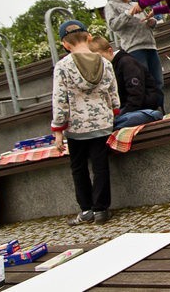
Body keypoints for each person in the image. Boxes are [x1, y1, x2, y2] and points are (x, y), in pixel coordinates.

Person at [51, 20, 120, 226]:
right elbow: (114, 95)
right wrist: (113, 112)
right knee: (100, 166)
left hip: (76, 126)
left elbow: (60, 99)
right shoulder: (106, 63)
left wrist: (58, 130)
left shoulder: (63, 67)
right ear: (88, 37)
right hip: (102, 122)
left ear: (65, 44)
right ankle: (101, 210)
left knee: (78, 167)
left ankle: (87, 210)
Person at [104, 0, 164, 99]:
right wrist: (128, 13)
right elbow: (113, 25)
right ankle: (150, 112)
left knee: (158, 81)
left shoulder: (134, 3)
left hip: (150, 45)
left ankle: (161, 109)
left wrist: (151, 22)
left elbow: (145, 22)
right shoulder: (111, 5)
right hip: (134, 48)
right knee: (144, 82)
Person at [88, 36, 164, 129]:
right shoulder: (108, 68)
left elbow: (136, 94)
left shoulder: (127, 63)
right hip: (128, 110)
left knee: (113, 124)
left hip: (143, 108)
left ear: (110, 51)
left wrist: (121, 114)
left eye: (101, 58)